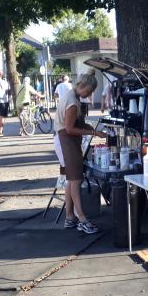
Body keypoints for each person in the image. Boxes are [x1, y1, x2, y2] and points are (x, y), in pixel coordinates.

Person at [54, 69, 106, 234]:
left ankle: (69, 217)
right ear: (82, 86)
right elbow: (69, 129)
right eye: (89, 91)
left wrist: (88, 127)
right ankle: (82, 218)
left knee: (71, 180)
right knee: (76, 180)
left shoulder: (71, 94)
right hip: (66, 140)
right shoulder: (73, 102)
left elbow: (73, 124)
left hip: (62, 139)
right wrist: (91, 132)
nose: (89, 95)